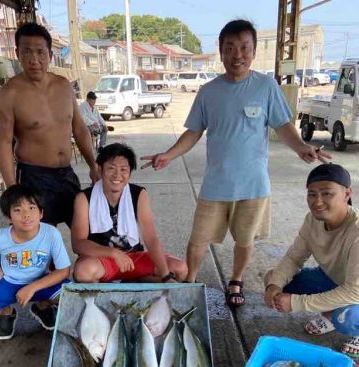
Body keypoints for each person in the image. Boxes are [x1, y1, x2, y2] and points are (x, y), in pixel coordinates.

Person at [140, 19, 330, 307]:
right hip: (215, 185)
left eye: (244, 47)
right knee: (198, 240)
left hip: (253, 186)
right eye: (230, 48)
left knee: (245, 240)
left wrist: (301, 147)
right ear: (221, 52)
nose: (237, 55)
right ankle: (190, 281)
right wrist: (169, 154)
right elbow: (193, 131)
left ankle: (236, 280)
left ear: (253, 51)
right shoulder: (208, 91)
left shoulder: (266, 86)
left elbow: (282, 126)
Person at [0, 22, 99, 228]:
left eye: (40, 52)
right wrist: (13, 189)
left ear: (50, 54)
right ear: (17, 53)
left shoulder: (64, 86)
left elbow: (79, 129)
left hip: (66, 173)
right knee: (41, 243)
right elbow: (3, 144)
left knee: (87, 231)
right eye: (27, 52)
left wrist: (93, 165)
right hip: (34, 177)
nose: (34, 60)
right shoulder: (9, 93)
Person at [264, 163, 359, 359]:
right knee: (273, 277)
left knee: (347, 317)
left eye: (327, 194)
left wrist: (297, 303)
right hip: (331, 277)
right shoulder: (312, 220)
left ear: (347, 193)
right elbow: (293, 257)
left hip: (356, 290)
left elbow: (354, 291)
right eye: (312, 194)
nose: (318, 202)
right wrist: (274, 286)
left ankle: (344, 322)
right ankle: (330, 313)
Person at [71, 143, 187, 283]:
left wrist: (166, 275)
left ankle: (136, 281)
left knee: (180, 268)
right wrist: (113, 253)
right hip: (101, 260)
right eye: (111, 168)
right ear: (100, 170)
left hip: (134, 258)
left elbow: (151, 238)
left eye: (124, 169)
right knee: (83, 271)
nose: (117, 175)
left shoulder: (138, 194)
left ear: (130, 173)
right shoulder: (84, 198)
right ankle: (120, 288)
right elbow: (78, 244)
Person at [0, 185, 71, 340]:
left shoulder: (51, 234)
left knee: (72, 300)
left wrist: (32, 287)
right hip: (8, 282)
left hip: (39, 280)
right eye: (17, 210)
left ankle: (42, 307)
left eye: (32, 208)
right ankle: (6, 312)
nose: (26, 215)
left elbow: (63, 271)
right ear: (9, 217)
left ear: (41, 213)